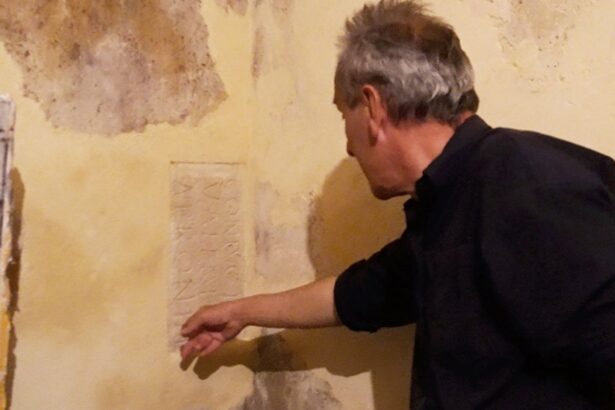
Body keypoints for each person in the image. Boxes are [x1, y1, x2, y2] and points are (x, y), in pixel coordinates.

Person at [180, 0, 615, 408]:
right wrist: (240, 312)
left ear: (372, 106)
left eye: (343, 115)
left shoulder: (529, 187)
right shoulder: (446, 203)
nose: (349, 147)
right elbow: (359, 294)